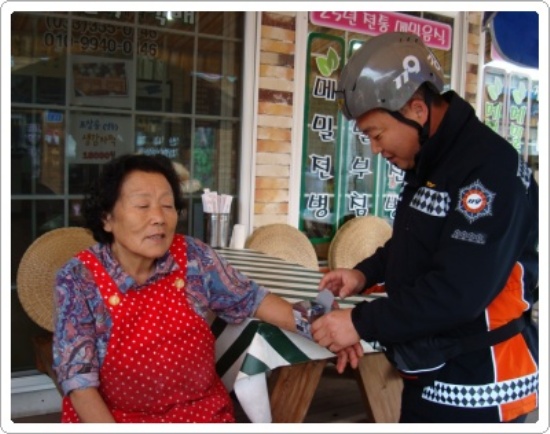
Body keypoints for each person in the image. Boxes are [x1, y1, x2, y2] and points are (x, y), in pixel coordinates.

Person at [311, 32, 538, 423]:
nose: (375, 149)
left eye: (376, 134)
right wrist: (364, 273)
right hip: (430, 367)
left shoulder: (488, 170)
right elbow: (415, 242)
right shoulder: (432, 159)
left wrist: (359, 323)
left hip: (481, 386)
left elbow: (457, 291)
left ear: (416, 110)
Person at [52, 153, 297, 423]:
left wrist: (318, 326)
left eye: (167, 205)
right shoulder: (79, 278)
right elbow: (79, 381)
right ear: (106, 218)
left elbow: (252, 299)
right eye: (142, 205)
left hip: (202, 416)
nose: (159, 217)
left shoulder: (193, 257)